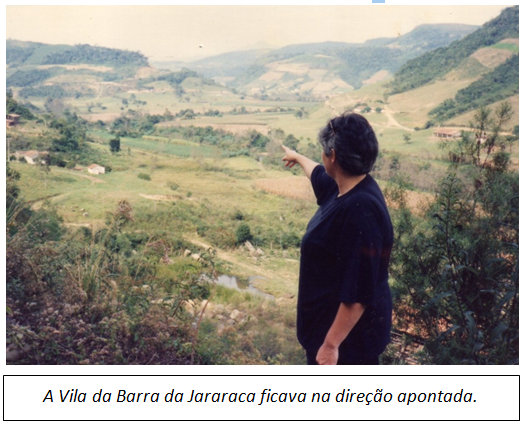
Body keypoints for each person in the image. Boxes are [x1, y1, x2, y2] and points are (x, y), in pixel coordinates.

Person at [281, 112, 393, 365]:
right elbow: (319, 175)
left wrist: (331, 345)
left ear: (333, 156)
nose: (321, 156)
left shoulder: (361, 211)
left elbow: (359, 291)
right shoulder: (348, 186)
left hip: (346, 348)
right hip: (329, 335)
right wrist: (298, 158)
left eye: (324, 150)